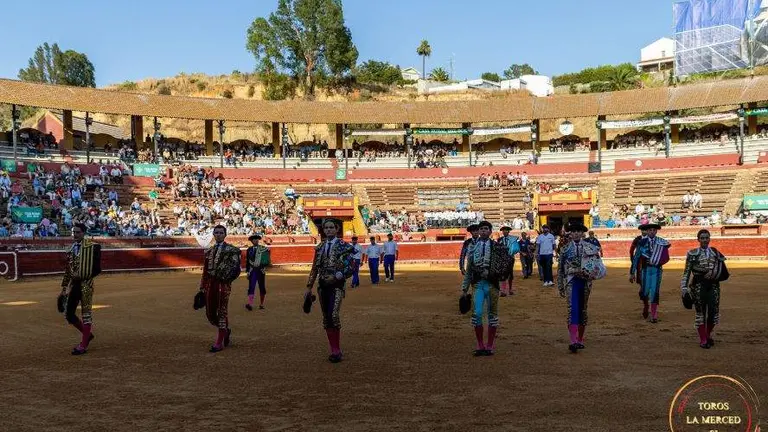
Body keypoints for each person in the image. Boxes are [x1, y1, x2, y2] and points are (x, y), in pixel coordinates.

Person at [306, 218, 355, 363]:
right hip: (322, 286)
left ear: (337, 229)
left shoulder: (343, 246)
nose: (328, 230)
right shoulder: (320, 247)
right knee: (326, 318)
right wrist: (309, 287)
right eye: (326, 228)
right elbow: (314, 268)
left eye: (331, 227)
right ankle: (333, 348)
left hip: (337, 286)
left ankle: (337, 350)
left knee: (333, 315)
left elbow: (351, 267)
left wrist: (340, 275)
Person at [557, 223, 604, 353]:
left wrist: (592, 273)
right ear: (570, 234)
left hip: (585, 281)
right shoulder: (564, 249)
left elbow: (597, 265)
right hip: (571, 281)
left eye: (579, 231)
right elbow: (561, 269)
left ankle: (580, 339)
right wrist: (560, 285)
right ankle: (573, 341)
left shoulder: (591, 248)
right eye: (574, 231)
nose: (576, 233)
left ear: (583, 233)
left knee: (583, 309)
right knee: (572, 309)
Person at [460, 221, 504, 356]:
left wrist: (492, 274)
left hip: (492, 285)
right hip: (478, 284)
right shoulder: (472, 248)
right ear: (478, 231)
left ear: (490, 231)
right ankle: (480, 345)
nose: (483, 231)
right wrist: (464, 288)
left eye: (486, 229)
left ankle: (490, 345)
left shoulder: (497, 247)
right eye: (481, 229)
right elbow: (469, 271)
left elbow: (503, 269)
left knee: (492, 315)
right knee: (477, 313)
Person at [59, 223, 102, 355]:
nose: (75, 234)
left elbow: (97, 269)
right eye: (73, 232)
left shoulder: (93, 247)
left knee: (86, 314)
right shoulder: (71, 249)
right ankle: (87, 334)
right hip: (74, 285)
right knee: (69, 314)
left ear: (83, 233)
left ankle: (83, 345)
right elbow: (68, 270)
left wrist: (83, 275)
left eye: (77, 232)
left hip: (86, 284)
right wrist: (64, 287)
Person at [198, 225, 242, 353]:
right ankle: (226, 331)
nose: (218, 234)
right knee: (210, 313)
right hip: (210, 284)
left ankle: (219, 342)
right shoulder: (209, 251)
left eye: (221, 232)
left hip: (223, 284)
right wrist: (202, 287)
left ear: (225, 234)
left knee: (222, 311)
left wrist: (227, 280)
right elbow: (205, 271)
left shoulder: (232, 250)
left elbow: (236, 270)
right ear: (213, 234)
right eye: (216, 232)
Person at [681, 229, 728, 349]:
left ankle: (707, 335)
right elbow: (686, 272)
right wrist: (684, 288)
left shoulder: (715, 253)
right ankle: (703, 339)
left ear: (709, 239)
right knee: (700, 313)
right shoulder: (692, 254)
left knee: (713, 313)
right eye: (702, 238)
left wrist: (714, 275)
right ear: (698, 240)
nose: (705, 240)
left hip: (713, 286)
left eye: (706, 237)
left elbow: (724, 272)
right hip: (698, 286)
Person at [630, 223, 670, 323]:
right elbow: (636, 257)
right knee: (645, 291)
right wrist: (632, 272)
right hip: (645, 270)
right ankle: (646, 306)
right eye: (650, 230)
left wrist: (659, 261)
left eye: (653, 230)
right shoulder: (642, 242)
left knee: (654, 291)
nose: (652, 231)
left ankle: (654, 314)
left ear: (656, 231)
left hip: (657, 270)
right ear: (647, 232)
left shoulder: (661, 242)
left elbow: (666, 257)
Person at [245, 234, 270, 311]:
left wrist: (263, 265)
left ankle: (261, 304)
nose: (255, 240)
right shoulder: (249, 250)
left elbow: (266, 261)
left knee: (261, 287)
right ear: (251, 241)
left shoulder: (263, 249)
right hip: (252, 271)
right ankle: (250, 304)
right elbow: (248, 262)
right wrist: (247, 271)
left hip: (260, 271)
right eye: (254, 239)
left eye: (256, 239)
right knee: (251, 287)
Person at [498, 225, 520, 296]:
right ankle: (503, 291)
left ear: (508, 231)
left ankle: (510, 289)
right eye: (503, 230)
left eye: (506, 230)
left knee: (510, 274)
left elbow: (516, 249)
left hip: (510, 258)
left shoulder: (512, 239)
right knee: (502, 274)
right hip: (502, 259)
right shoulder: (499, 239)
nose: (504, 232)